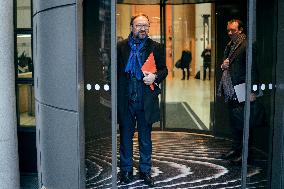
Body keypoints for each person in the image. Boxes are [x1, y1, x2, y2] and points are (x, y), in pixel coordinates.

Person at [117, 14, 168, 186]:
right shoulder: (121, 47)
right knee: (125, 138)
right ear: (131, 27)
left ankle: (145, 171)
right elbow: (115, 73)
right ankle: (126, 170)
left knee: (145, 139)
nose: (143, 28)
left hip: (146, 101)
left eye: (146, 25)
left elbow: (164, 70)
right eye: (139, 25)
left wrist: (155, 76)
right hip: (126, 101)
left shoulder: (156, 47)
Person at [217, 19, 257, 164]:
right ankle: (236, 149)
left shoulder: (246, 44)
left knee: (244, 121)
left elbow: (253, 68)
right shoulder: (230, 45)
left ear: (240, 30)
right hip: (232, 88)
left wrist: (252, 90)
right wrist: (223, 66)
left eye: (232, 30)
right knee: (235, 120)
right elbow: (226, 65)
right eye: (228, 30)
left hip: (242, 88)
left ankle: (245, 154)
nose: (229, 33)